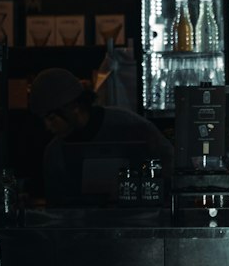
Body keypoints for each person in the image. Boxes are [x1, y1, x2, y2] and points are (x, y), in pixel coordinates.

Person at [29, 67, 173, 205]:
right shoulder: (54, 153)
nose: (47, 127)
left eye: (52, 118)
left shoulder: (130, 126)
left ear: (74, 107)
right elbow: (56, 206)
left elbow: (170, 166)